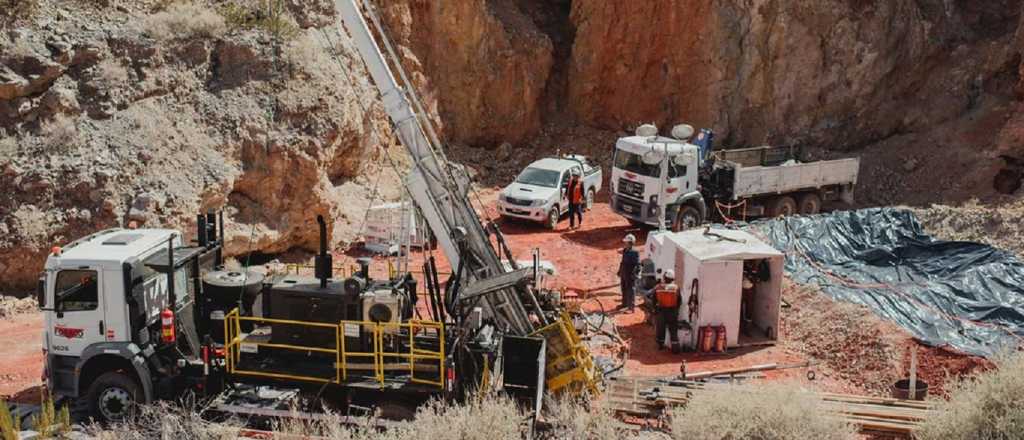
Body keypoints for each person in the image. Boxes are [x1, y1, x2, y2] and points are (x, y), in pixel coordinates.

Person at [654, 270, 682, 353]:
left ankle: (660, 345)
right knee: (673, 329)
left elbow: (654, 300)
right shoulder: (676, 288)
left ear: (664, 277)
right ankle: (675, 348)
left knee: (660, 329)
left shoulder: (658, 287)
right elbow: (679, 301)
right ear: (672, 279)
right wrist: (676, 310)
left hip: (661, 311)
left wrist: (655, 310)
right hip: (672, 311)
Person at [618, 234, 639, 311]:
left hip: (630, 274)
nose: (625, 243)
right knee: (623, 289)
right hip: (624, 272)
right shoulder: (625, 250)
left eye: (626, 242)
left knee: (630, 290)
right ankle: (624, 304)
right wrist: (620, 271)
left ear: (630, 243)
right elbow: (622, 262)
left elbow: (637, 264)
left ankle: (631, 307)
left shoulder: (635, 252)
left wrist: (635, 274)